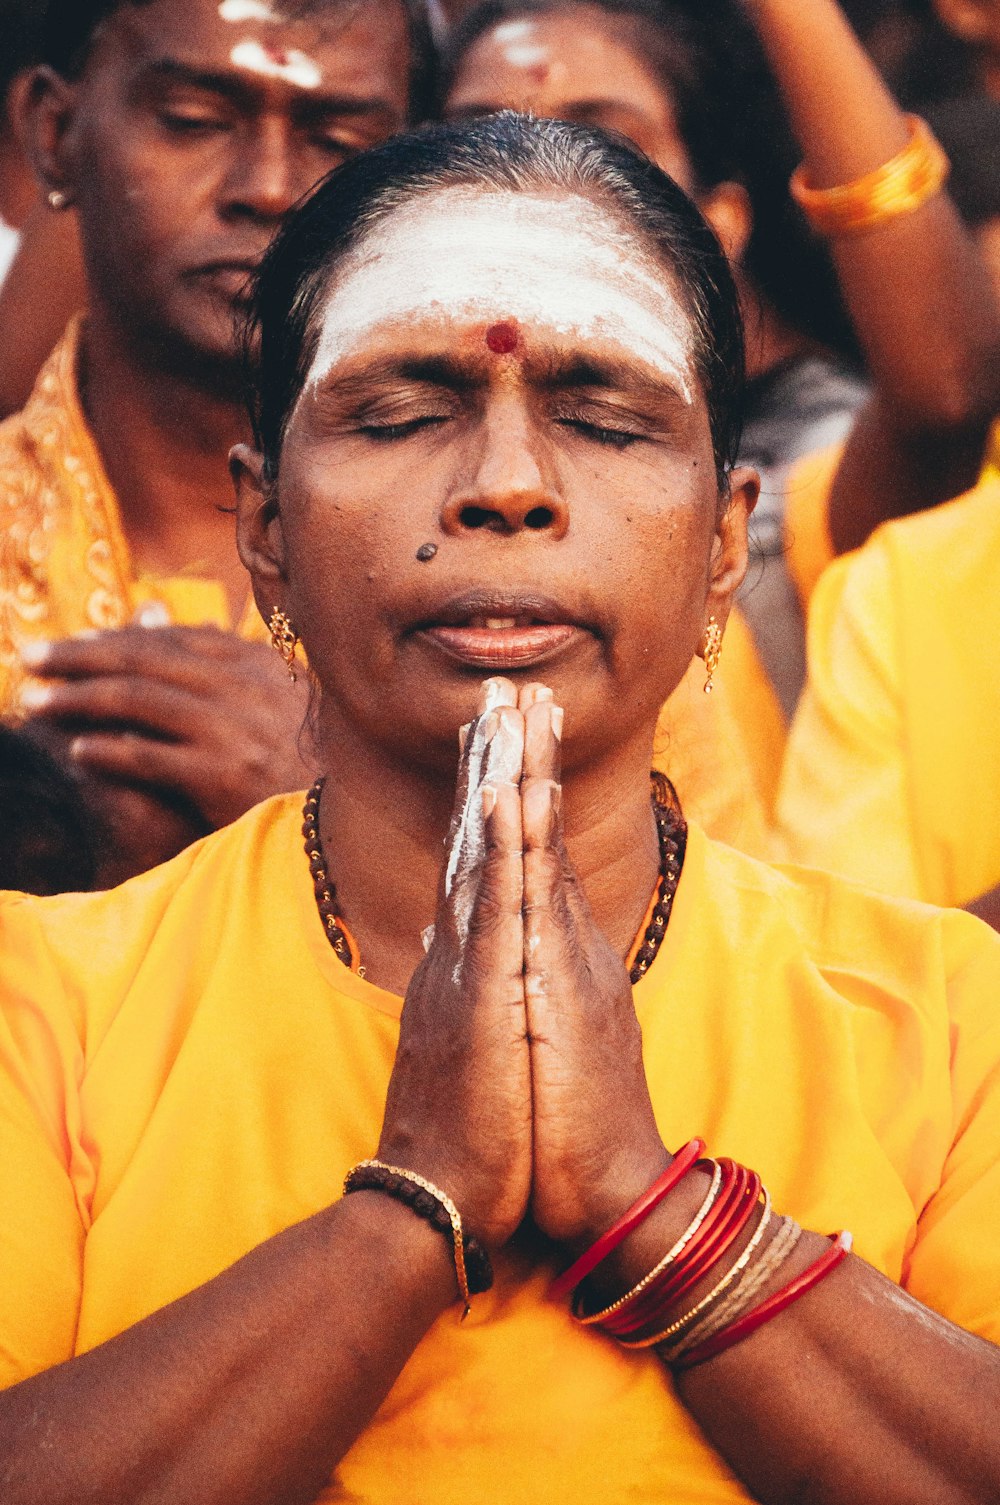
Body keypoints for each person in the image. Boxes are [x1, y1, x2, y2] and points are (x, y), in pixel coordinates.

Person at [2, 114, 1000, 1504]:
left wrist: (648, 1208)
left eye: (604, 420)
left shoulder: (952, 1015)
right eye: (401, 415)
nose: (509, 487)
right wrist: (420, 1203)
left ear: (725, 542)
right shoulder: (40, 1003)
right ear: (266, 530)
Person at [442, 0, 1000, 728]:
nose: (532, 188)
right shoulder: (378, 456)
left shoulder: (795, 461)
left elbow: (945, 396)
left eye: (604, 143)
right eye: (478, 142)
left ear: (720, 222)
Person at [0, 0, 430, 882]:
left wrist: (354, 816)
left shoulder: (538, 580)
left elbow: (716, 979)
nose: (269, 187)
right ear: (54, 131)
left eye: (337, 138)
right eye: (193, 121)